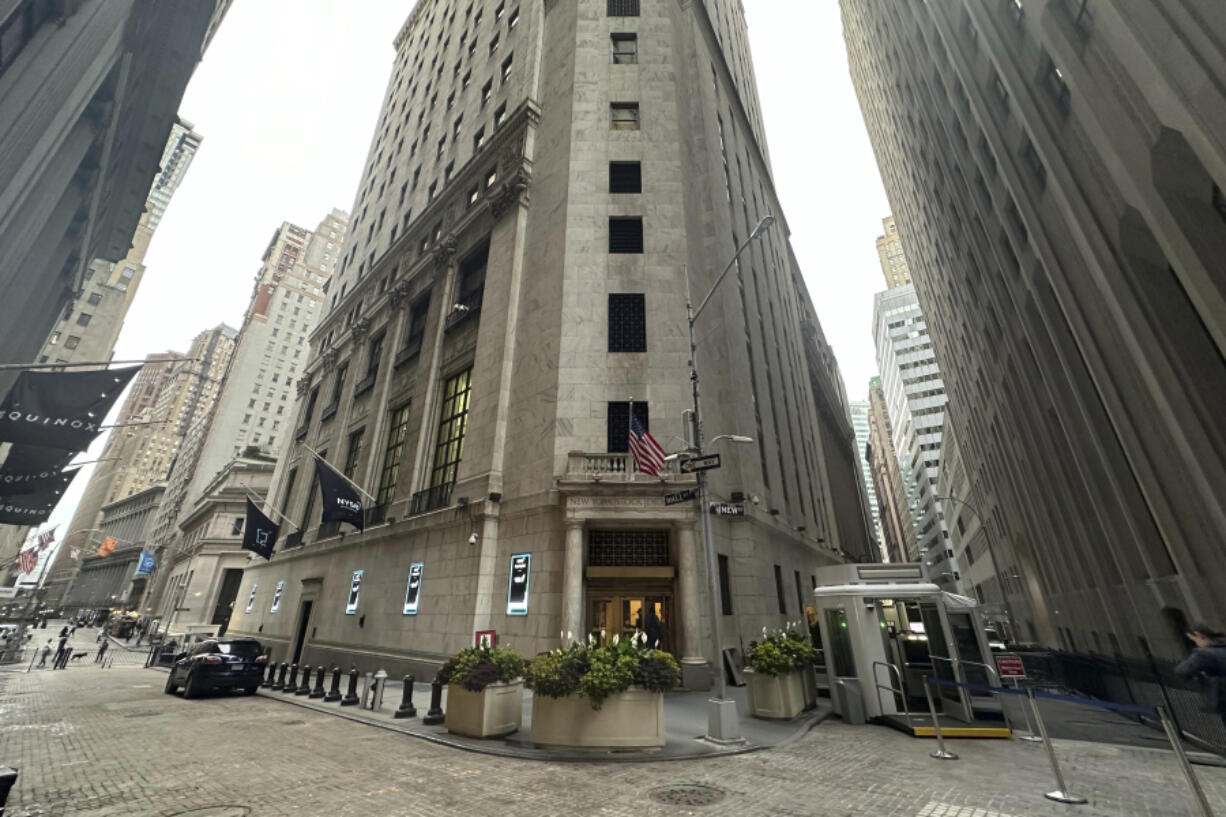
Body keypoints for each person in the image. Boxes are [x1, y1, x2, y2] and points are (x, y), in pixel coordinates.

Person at [1175, 623, 1226, 728]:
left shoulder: (1204, 654)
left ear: (1199, 635)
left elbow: (1183, 671)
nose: (1196, 644)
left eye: (1194, 640)